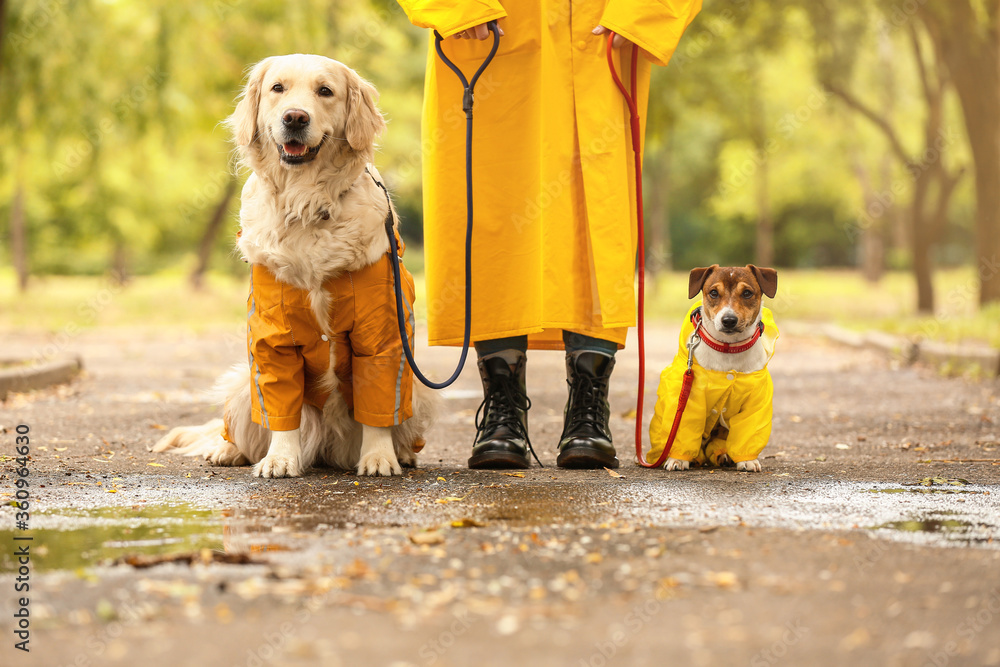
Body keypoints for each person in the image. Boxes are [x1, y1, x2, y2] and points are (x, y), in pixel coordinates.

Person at [398, 0, 702, 469]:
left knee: (594, 217)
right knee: (493, 212)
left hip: (598, 40)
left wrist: (642, 12)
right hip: (491, 40)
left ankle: (589, 408)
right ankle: (502, 408)